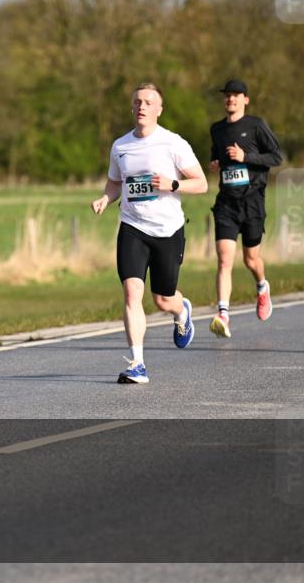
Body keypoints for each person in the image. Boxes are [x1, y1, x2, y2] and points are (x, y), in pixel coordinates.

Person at [91, 83, 208, 384]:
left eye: (148, 102)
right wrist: (106, 197)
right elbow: (115, 182)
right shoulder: (120, 146)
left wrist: (174, 185)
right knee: (132, 293)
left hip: (168, 230)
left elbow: (202, 183)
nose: (141, 107)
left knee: (162, 299)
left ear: (159, 109)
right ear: (132, 108)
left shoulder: (173, 144)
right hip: (132, 227)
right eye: (137, 102)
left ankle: (180, 310)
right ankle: (137, 363)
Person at [207, 79, 282, 338]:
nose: (231, 100)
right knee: (225, 258)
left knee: (250, 259)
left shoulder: (256, 126)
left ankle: (262, 287)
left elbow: (276, 157)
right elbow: (216, 155)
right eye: (227, 96)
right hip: (227, 202)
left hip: (252, 202)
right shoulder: (216, 129)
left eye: (236, 96)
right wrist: (215, 163)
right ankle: (223, 315)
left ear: (245, 100)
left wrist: (246, 157)